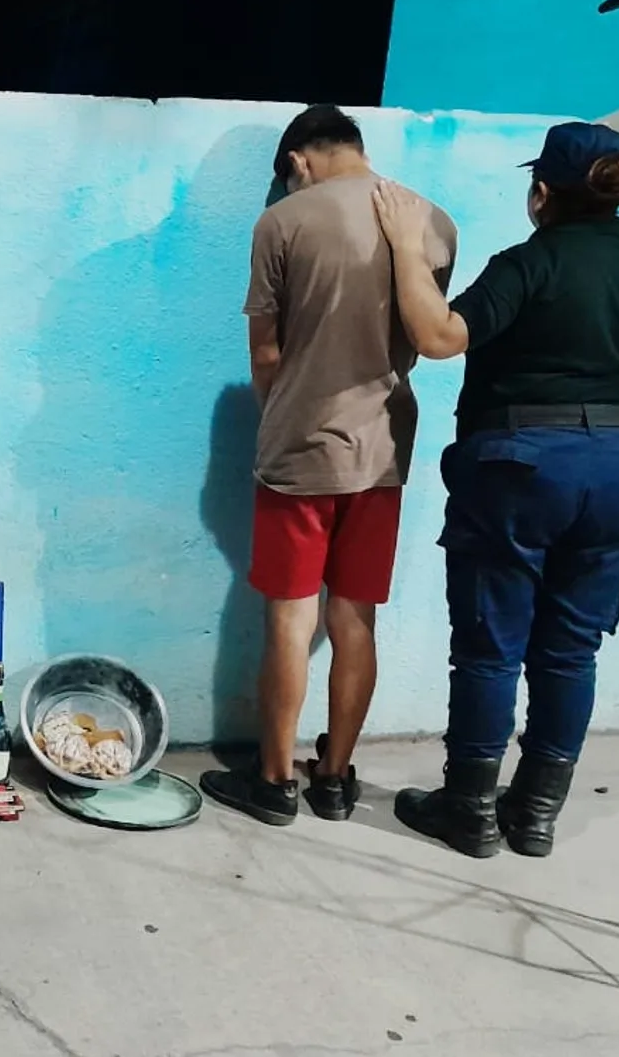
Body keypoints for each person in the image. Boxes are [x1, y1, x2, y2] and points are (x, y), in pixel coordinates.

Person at [374, 123, 619, 858]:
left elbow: (444, 336)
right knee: (572, 651)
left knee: (489, 645)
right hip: (617, 466)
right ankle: (535, 815)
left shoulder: (526, 264)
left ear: (542, 192)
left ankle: (470, 811)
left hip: (518, 463)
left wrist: (408, 249)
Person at [202, 105, 457, 826]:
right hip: (382, 451)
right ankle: (336, 779)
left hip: (301, 450)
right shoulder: (433, 221)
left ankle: (276, 781)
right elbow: (423, 329)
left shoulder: (282, 222)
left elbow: (266, 355)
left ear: (298, 162)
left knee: (290, 617)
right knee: (355, 618)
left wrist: (281, 417)